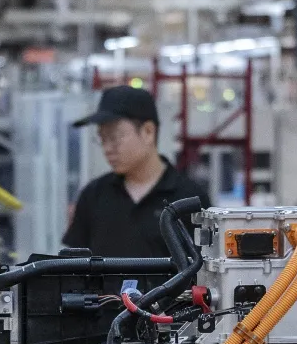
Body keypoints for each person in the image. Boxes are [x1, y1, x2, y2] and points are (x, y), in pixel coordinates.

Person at [62, 85, 210, 257]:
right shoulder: (93, 196)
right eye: (102, 138)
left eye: (115, 137)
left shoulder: (188, 200)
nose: (107, 148)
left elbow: (205, 270)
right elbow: (73, 268)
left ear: (148, 132)